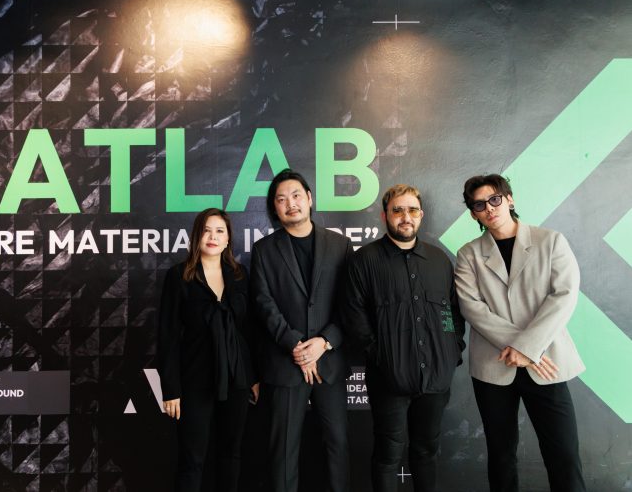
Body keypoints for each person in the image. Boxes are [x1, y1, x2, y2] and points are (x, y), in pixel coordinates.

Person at [454, 174, 586, 492]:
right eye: (480, 205)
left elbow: (564, 296)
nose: (489, 208)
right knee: (501, 456)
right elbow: (472, 308)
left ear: (509, 199)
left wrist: (528, 348)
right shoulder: (468, 254)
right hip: (494, 366)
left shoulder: (550, 241)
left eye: (495, 199)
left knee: (564, 455)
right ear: (473, 214)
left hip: (546, 361)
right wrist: (521, 347)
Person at [342, 184, 465, 492]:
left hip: (435, 380)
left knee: (426, 452)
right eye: (397, 210)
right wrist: (381, 357)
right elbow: (354, 317)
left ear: (421, 215)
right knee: (387, 455)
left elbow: (453, 312)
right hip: (388, 380)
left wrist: (452, 351)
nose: (405, 217)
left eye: (412, 210)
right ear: (385, 216)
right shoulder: (364, 260)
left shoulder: (439, 261)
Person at [250, 168, 352, 492]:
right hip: (286, 364)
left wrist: (324, 342)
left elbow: (350, 303)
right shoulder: (264, 250)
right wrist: (295, 345)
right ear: (275, 208)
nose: (290, 203)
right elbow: (263, 303)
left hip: (329, 363)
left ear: (309, 198)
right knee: (283, 453)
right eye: (281, 199)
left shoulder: (340, 245)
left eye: (296, 195)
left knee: (337, 446)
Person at [157, 207, 259, 492]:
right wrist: (171, 389)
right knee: (192, 460)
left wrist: (252, 377)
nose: (212, 237)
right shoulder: (179, 276)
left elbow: (249, 331)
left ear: (228, 239)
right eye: (206, 231)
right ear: (196, 236)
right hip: (194, 380)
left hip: (237, 379)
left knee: (230, 454)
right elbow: (167, 336)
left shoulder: (240, 275)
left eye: (219, 231)